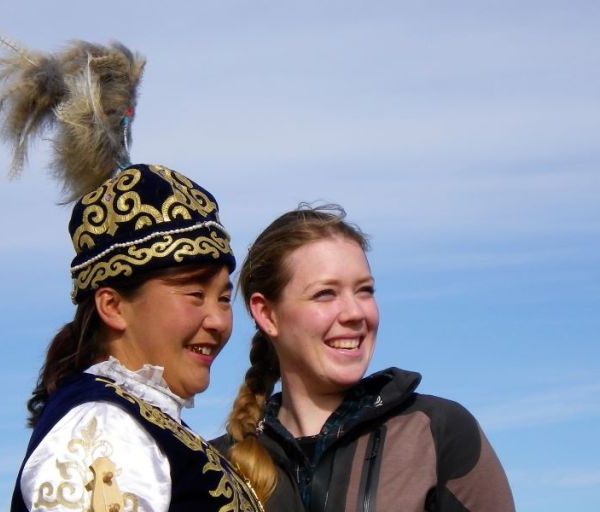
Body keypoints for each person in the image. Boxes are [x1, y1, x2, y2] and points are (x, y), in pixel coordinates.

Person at [0, 33, 264, 512]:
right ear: (113, 305)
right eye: (194, 294)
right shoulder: (101, 428)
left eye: (224, 297)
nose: (218, 320)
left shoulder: (142, 424)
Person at [215, 205, 515, 512]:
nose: (355, 313)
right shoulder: (212, 466)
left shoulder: (436, 433)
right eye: (325, 293)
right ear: (267, 314)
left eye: (365, 291)